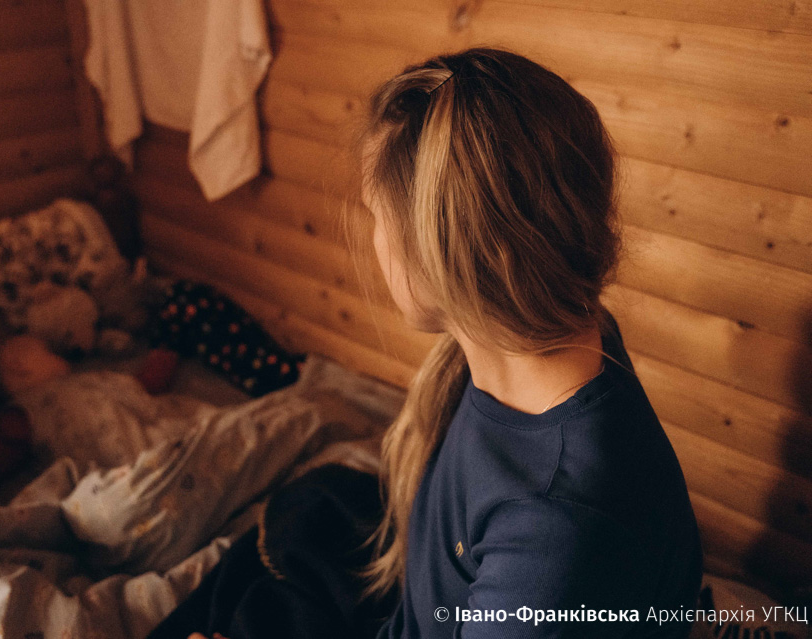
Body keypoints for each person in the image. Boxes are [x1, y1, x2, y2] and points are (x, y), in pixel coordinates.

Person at [190, 46, 703, 639]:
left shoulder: (554, 536)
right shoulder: (567, 326)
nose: (375, 239)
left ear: (441, 249)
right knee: (306, 513)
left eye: (377, 214)